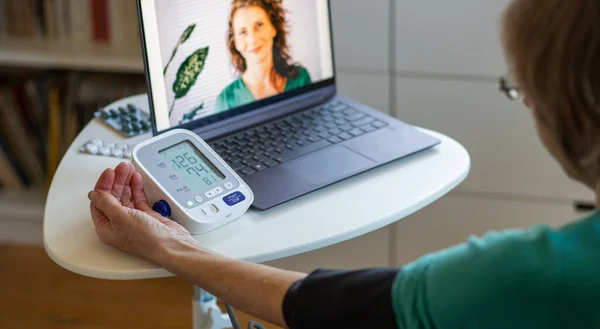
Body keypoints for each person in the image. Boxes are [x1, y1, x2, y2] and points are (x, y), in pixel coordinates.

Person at [88, 0, 600, 328]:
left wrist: (168, 247)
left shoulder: (532, 274)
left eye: (524, 91)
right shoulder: (224, 96)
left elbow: (333, 307)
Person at [214, 0, 312, 113]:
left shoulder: (300, 79)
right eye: (243, 32)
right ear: (235, 43)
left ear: (274, 28)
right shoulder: (226, 101)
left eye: (259, 25)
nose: (252, 39)